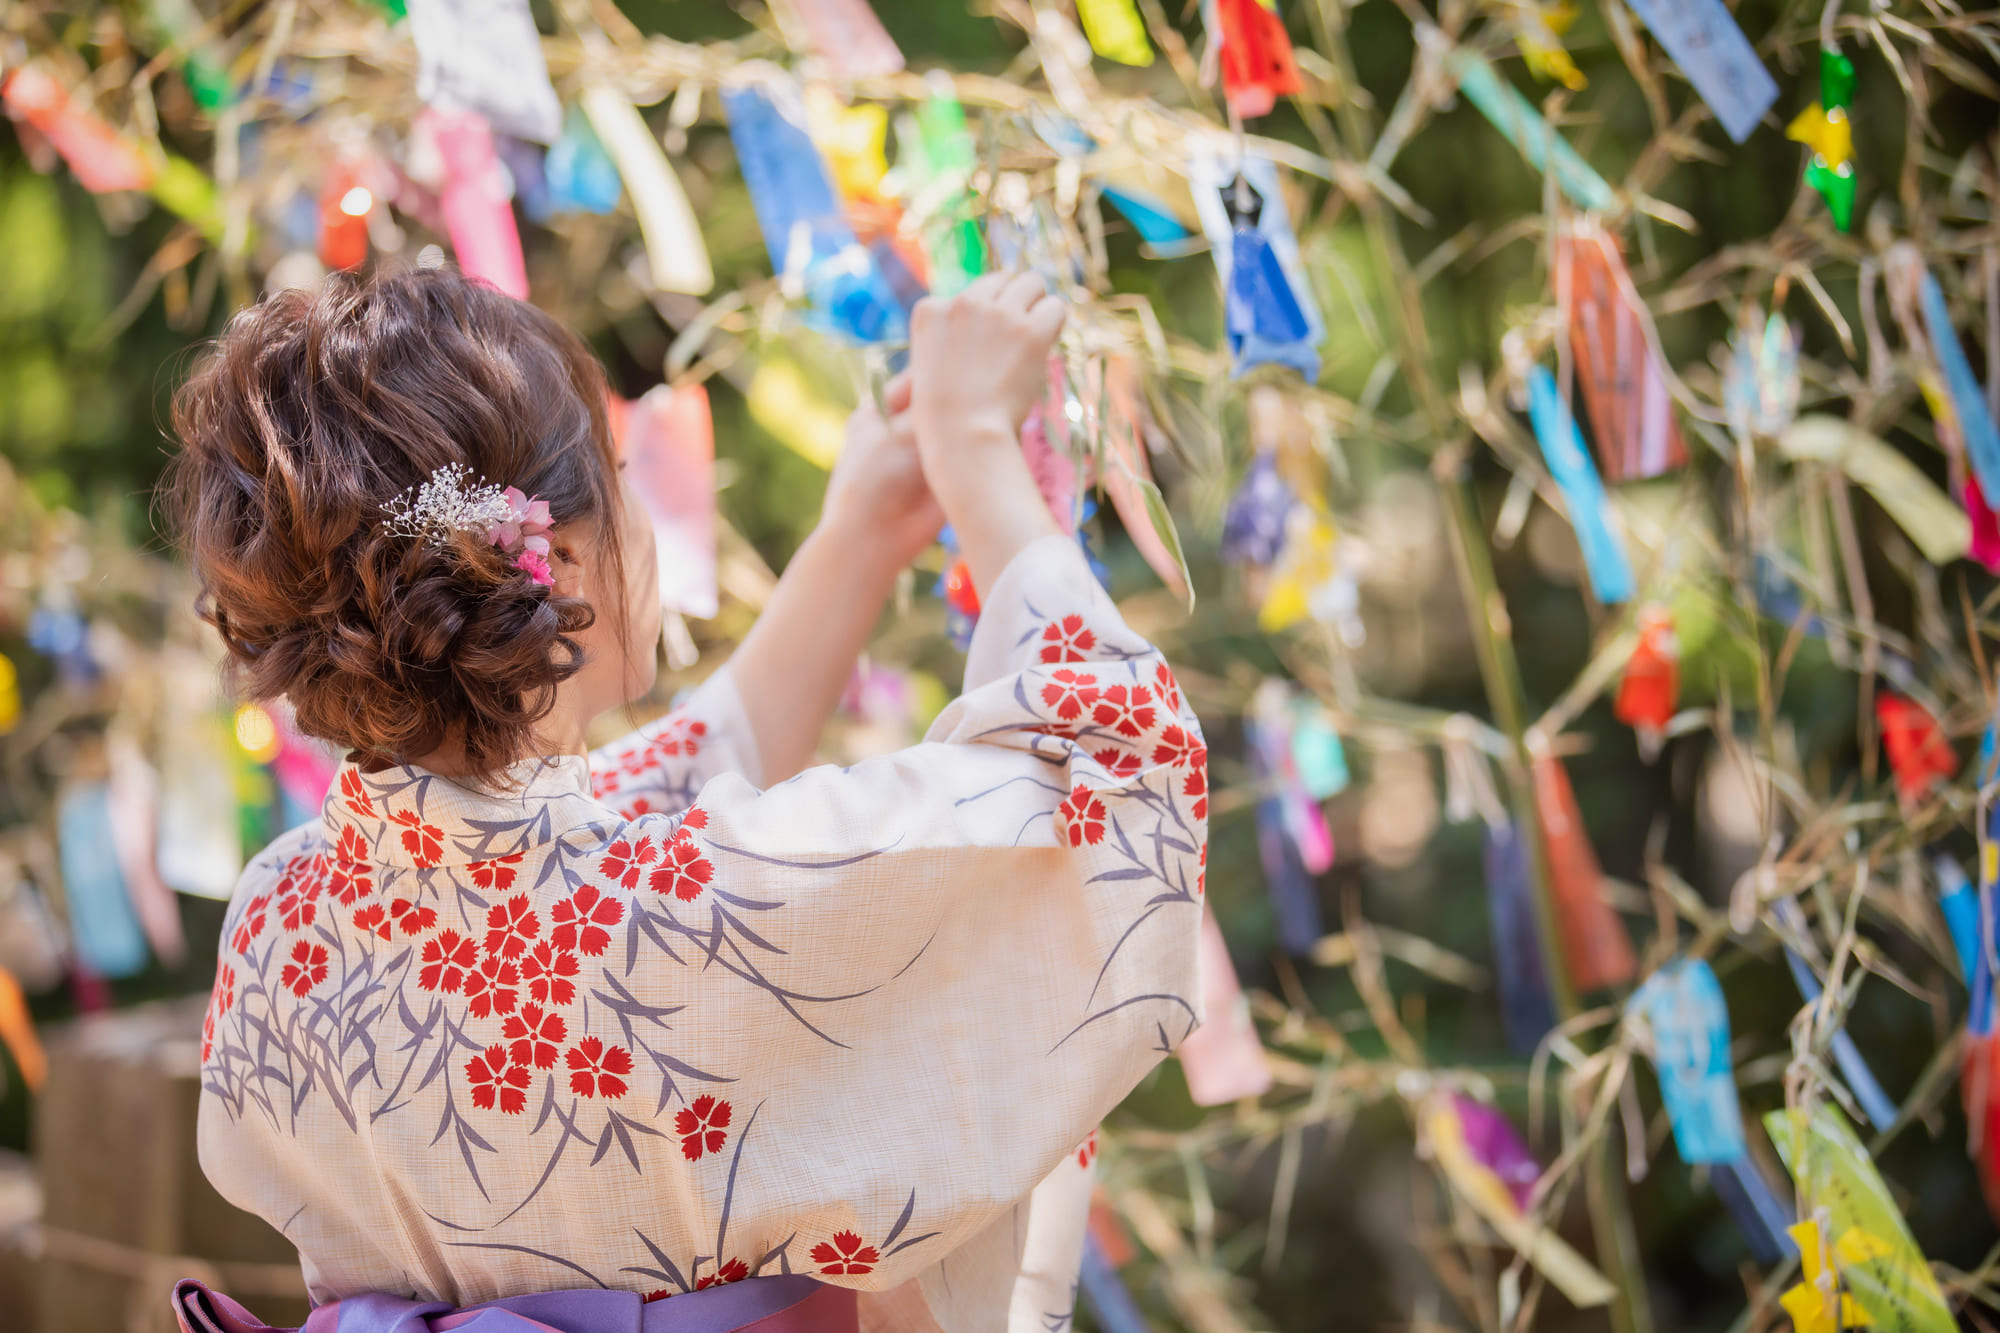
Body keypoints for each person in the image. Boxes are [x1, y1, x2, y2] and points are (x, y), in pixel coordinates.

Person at [165, 266, 1206, 1333]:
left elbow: (577, 842)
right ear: (560, 562)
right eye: (621, 475)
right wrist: (977, 447)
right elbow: (1122, 789)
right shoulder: (697, 907)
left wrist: (854, 536)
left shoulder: (277, 921)